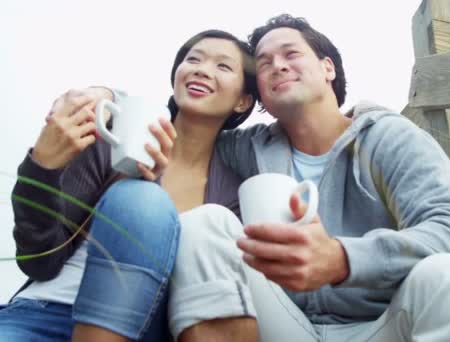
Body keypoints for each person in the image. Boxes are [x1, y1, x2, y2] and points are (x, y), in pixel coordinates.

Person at [167, 14, 450, 341]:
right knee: (204, 225)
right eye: (263, 62)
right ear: (256, 92)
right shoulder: (248, 148)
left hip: (383, 325)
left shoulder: (388, 137)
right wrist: (110, 97)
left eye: (290, 53)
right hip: (283, 322)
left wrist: (342, 259)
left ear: (328, 68)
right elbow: (186, 129)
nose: (277, 65)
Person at [0, 29, 257, 342]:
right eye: (193, 59)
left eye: (223, 66)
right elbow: (39, 260)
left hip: (148, 327)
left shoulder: (234, 198)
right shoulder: (113, 140)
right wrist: (42, 168)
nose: (202, 69)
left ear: (243, 100)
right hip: (46, 311)